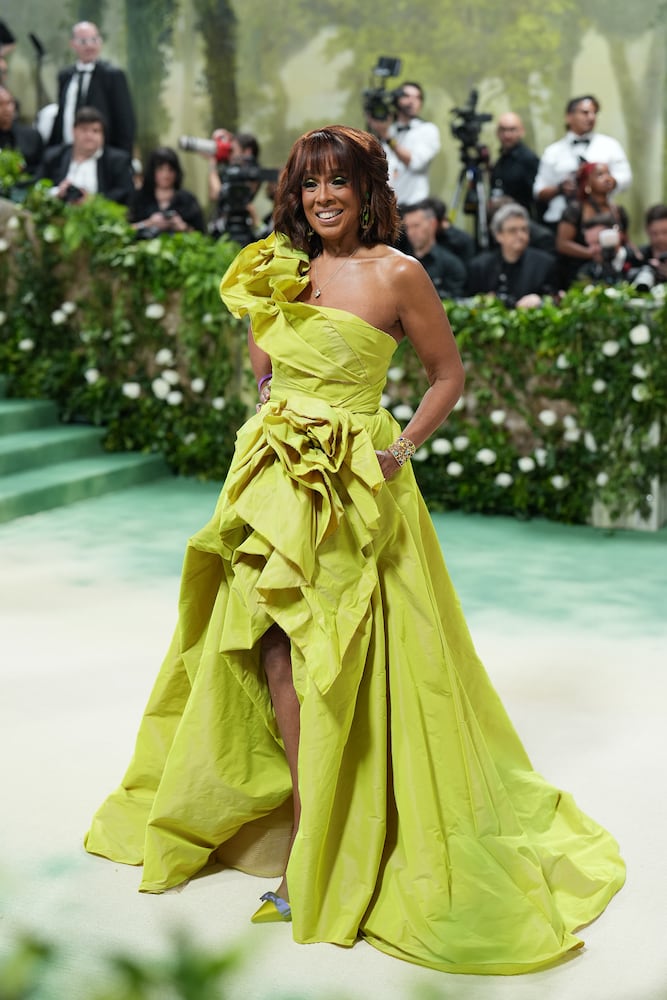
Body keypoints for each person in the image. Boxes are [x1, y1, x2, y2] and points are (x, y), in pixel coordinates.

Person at [84, 125, 624, 975]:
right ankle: (308, 837)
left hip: (359, 489)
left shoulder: (398, 273)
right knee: (268, 653)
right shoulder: (281, 267)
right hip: (275, 478)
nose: (321, 197)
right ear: (294, 196)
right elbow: (262, 367)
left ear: (367, 188)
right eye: (308, 185)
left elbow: (447, 374)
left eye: (336, 182)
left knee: (342, 662)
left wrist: (397, 448)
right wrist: (272, 396)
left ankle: (338, 842)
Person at [533, 95, 632, 228]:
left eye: (594, 113)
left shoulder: (610, 145)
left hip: (601, 219)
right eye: (585, 113)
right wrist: (560, 189)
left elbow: (625, 177)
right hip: (559, 219)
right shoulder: (553, 151)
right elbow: (539, 191)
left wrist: (605, 182)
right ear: (569, 117)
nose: (591, 117)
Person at [48, 21, 135, 155]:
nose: (89, 45)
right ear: (73, 44)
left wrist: (122, 158)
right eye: (83, 41)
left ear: (100, 42)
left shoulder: (112, 75)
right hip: (68, 151)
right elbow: (61, 115)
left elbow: (125, 121)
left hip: (103, 155)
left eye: (94, 40)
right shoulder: (65, 76)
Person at [555, 161, 637, 288]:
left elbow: (626, 239)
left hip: (615, 269)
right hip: (581, 271)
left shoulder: (618, 210)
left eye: (608, 173)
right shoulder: (576, 210)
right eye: (600, 175)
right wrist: (591, 253)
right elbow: (562, 244)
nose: (607, 178)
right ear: (587, 182)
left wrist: (636, 255)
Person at [36, 105, 134, 206]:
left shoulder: (117, 161)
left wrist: (93, 200)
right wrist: (57, 192)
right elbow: (38, 187)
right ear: (73, 131)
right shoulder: (54, 157)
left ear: (103, 135)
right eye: (84, 130)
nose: (89, 136)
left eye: (95, 131)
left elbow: (125, 193)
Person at [467, 202, 558, 307]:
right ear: (498, 235)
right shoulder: (480, 266)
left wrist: (540, 301)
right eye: (512, 230)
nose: (520, 235)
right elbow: (468, 301)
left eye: (524, 229)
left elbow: (555, 299)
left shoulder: (545, 264)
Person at [367, 81, 441, 207]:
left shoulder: (428, 130)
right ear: (396, 100)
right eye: (406, 96)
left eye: (417, 97)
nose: (412, 101)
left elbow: (415, 163)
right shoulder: (389, 129)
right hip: (388, 207)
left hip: (415, 207)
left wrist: (387, 138)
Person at [129, 145, 205, 236]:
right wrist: (149, 223)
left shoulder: (188, 201)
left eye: (170, 170)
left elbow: (202, 236)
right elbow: (126, 230)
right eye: (160, 169)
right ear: (152, 171)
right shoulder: (139, 198)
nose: (166, 175)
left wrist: (183, 227)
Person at [402, 200, 466, 298]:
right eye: (407, 227)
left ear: (432, 224)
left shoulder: (451, 265)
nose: (411, 233)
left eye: (416, 226)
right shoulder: (401, 262)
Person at [489, 111, 539, 214]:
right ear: (497, 133)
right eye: (503, 130)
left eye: (512, 130)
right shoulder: (501, 160)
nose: (507, 135)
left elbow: (536, 196)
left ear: (522, 131)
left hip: (521, 220)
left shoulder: (528, 159)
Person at [0, 85, 43, 173]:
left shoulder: (32, 136)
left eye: (9, 103)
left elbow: (43, 168)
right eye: (0, 104)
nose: (7, 109)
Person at [636, 203, 667, 284]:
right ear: (647, 230)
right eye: (655, 233)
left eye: (665, 232)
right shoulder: (639, 256)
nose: (660, 238)